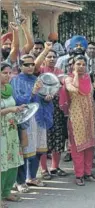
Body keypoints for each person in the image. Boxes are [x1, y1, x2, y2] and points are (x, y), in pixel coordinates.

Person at [11, 54, 54, 191]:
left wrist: (47, 99)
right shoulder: (16, 81)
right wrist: (32, 92)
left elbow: (42, 99)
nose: (30, 67)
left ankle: (32, 177)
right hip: (25, 120)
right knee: (24, 152)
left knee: (38, 151)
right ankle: (20, 181)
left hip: (39, 119)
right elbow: (18, 100)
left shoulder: (38, 79)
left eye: (32, 64)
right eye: (26, 64)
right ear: (20, 66)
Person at [34, 43, 68, 179]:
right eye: (49, 56)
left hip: (57, 108)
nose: (52, 59)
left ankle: (55, 167)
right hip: (43, 107)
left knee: (58, 137)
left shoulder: (59, 72)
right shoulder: (40, 71)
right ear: (45, 58)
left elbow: (64, 85)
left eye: (54, 56)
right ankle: (44, 169)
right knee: (44, 138)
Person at [64, 55, 95, 186]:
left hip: (89, 115)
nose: (81, 67)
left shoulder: (88, 78)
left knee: (89, 145)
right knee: (78, 147)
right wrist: (76, 74)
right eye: (78, 64)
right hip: (76, 117)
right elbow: (75, 89)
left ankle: (88, 172)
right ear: (72, 65)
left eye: (83, 64)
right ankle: (79, 175)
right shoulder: (68, 79)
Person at [0, 63, 25, 206]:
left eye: (10, 73)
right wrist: (10, 109)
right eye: (4, 73)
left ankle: (6, 191)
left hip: (11, 130)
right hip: (1, 132)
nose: (8, 76)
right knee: (1, 164)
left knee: (12, 162)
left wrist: (18, 109)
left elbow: (12, 107)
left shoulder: (9, 89)